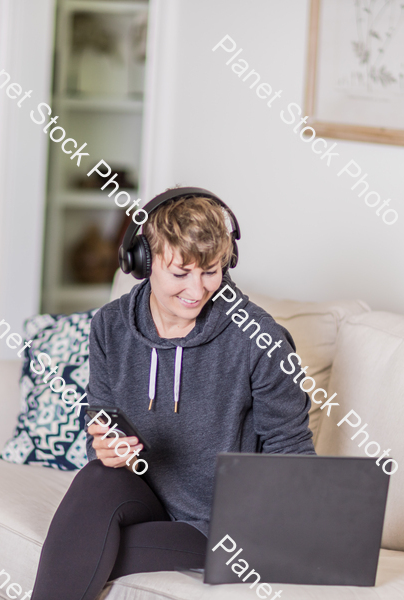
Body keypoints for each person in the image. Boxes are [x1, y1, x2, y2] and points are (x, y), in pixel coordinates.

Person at [32, 188, 315, 600]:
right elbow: (100, 413)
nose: (197, 290)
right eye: (181, 273)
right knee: (96, 478)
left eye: (212, 271)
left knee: (77, 550)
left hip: (217, 526)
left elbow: (291, 449)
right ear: (142, 263)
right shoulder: (110, 325)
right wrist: (107, 447)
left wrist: (298, 535)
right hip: (143, 496)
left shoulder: (260, 339)